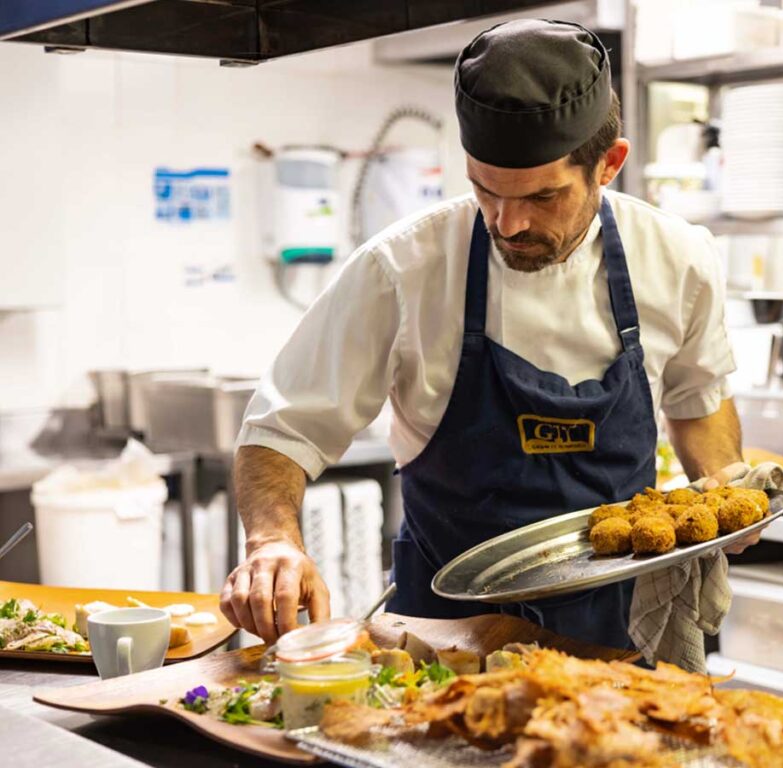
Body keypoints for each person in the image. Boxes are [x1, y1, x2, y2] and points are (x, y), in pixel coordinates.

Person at [221, 18, 754, 648]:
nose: (507, 222)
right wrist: (272, 540)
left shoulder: (677, 257)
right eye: (484, 190)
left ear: (608, 165)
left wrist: (724, 486)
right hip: (442, 634)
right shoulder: (402, 268)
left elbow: (699, 400)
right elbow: (283, 429)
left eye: (543, 197)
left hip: (622, 629)